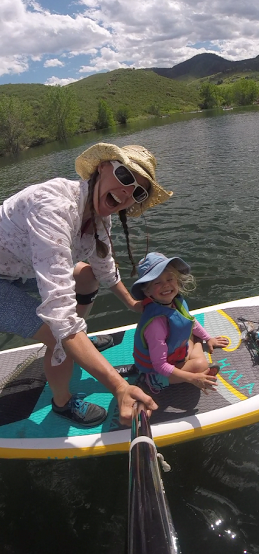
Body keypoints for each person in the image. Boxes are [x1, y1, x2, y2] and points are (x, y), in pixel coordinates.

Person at [0, 143, 173, 427]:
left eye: (138, 191)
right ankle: (62, 402)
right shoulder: (54, 207)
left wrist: (132, 303)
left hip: (18, 266)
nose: (128, 192)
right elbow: (61, 318)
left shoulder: (100, 219)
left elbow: (104, 268)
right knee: (59, 335)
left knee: (87, 274)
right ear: (102, 167)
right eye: (125, 176)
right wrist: (119, 387)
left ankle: (79, 345)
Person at [131, 252, 229, 393]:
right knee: (200, 364)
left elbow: (191, 322)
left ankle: (197, 347)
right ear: (147, 291)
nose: (166, 285)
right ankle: (152, 381)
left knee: (190, 332)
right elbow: (160, 366)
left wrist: (208, 338)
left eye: (170, 279)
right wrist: (192, 378)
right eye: (157, 282)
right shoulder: (155, 326)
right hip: (157, 371)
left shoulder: (174, 302)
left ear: (177, 280)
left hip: (175, 354)